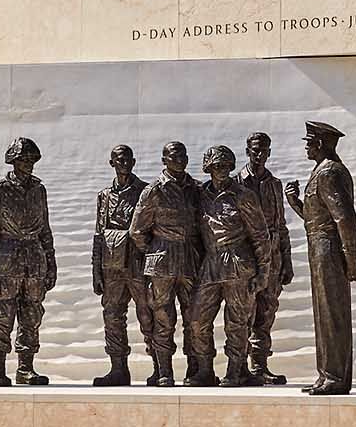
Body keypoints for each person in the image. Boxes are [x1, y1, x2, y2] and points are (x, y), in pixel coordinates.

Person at [287, 120, 356, 396]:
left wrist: (352, 261)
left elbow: (345, 219)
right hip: (319, 246)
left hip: (329, 249)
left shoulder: (329, 172)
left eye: (309, 142)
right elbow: (316, 219)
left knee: (332, 313)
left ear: (319, 144)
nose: (306, 147)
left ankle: (335, 376)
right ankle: (326, 374)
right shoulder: (320, 172)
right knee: (323, 312)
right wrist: (295, 203)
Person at [0, 137, 56, 386]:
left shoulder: (39, 189)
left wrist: (51, 263)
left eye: (32, 159)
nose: (29, 164)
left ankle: (25, 368)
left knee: (32, 314)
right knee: (2, 315)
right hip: (5, 257)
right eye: (24, 159)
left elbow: (45, 229)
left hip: (34, 259)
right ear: (13, 161)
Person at [196, 143, 276, 387]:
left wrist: (264, 272)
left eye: (226, 166)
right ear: (208, 168)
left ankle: (235, 371)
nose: (221, 170)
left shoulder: (243, 195)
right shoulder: (199, 194)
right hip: (211, 264)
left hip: (238, 263)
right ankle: (205, 370)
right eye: (217, 166)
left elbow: (261, 236)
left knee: (237, 322)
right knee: (197, 320)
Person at [125, 141, 202, 387]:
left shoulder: (197, 189)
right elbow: (136, 231)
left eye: (183, 156)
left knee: (194, 317)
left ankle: (195, 370)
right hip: (161, 261)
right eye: (174, 156)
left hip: (190, 259)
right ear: (164, 160)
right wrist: (155, 251)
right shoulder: (153, 191)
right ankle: (164, 371)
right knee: (163, 318)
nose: (179, 160)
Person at [91, 144, 152, 386]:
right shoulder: (104, 196)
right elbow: (98, 234)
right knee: (113, 316)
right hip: (112, 266)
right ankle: (118, 369)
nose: (123, 163)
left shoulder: (145, 191)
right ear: (111, 163)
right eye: (119, 159)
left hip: (138, 263)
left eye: (127, 159)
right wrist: (96, 270)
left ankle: (160, 367)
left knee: (148, 315)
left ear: (134, 162)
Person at [239, 131, 292, 385]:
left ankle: (259, 365)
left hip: (272, 257)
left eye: (264, 150)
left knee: (267, 310)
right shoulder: (236, 182)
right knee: (242, 311)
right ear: (247, 150)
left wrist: (287, 260)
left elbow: (281, 225)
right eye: (255, 149)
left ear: (269, 153)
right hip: (245, 256)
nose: (259, 154)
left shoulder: (275, 184)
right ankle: (238, 367)